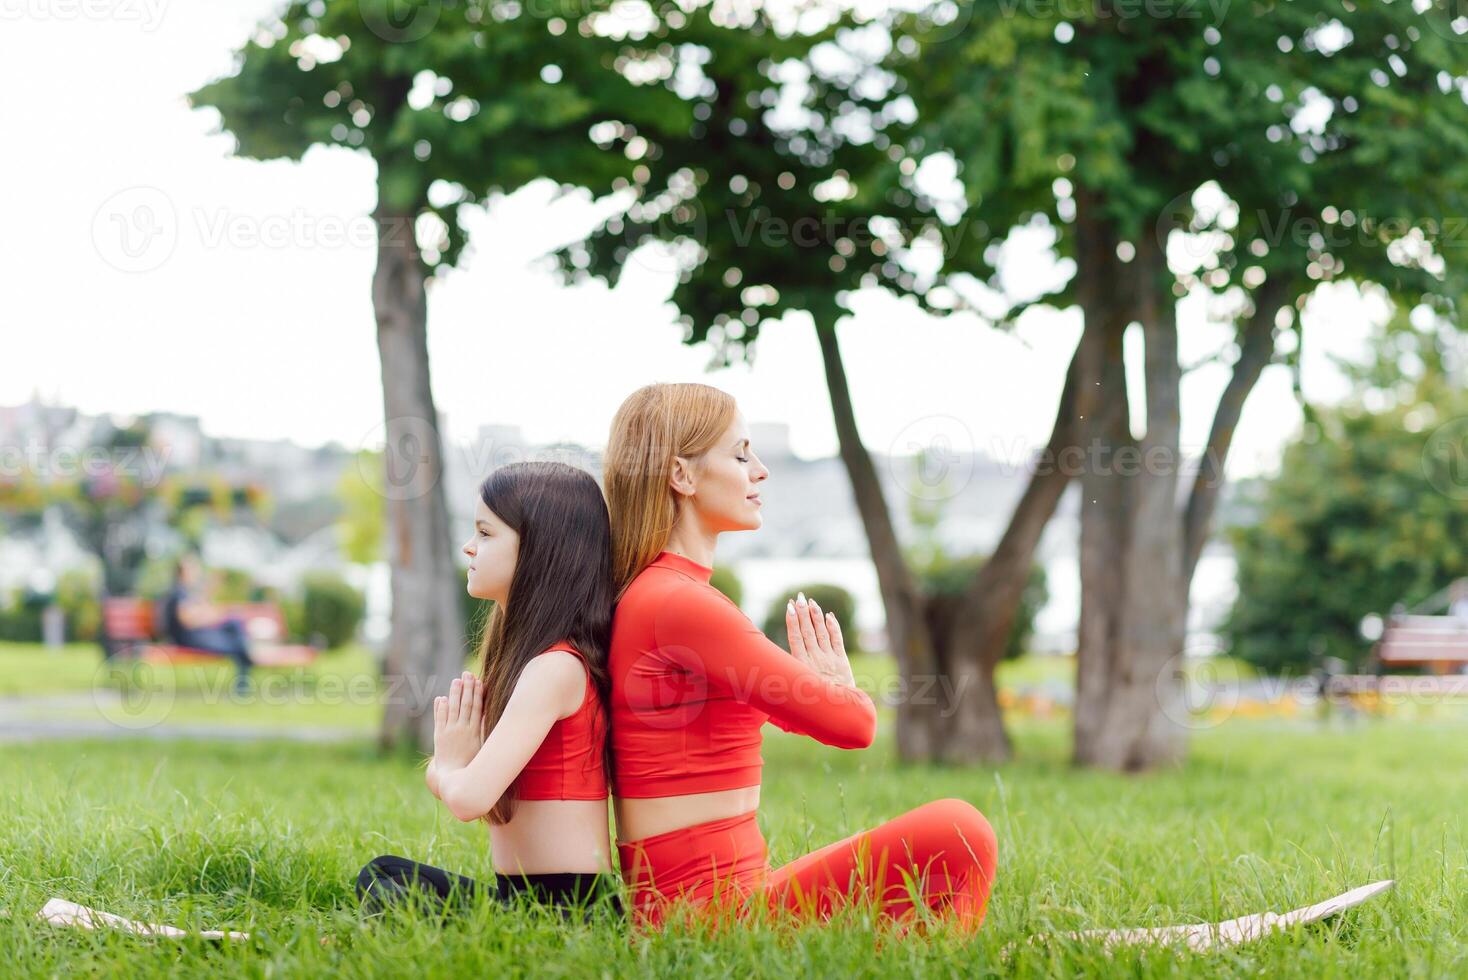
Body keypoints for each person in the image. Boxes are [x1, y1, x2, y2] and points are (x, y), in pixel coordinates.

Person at [602, 382, 999, 934]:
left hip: (720, 903)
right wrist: (840, 684)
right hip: (708, 920)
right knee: (962, 828)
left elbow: (788, 711)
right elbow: (854, 725)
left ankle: (924, 955)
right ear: (682, 475)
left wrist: (820, 691)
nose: (760, 470)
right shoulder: (678, 603)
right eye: (741, 454)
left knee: (911, 886)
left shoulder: (661, 596)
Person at [355, 461, 623, 922]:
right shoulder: (532, 660)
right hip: (526, 901)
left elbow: (468, 798)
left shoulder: (556, 667)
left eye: (485, 533)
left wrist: (450, 765)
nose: (469, 547)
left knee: (386, 888)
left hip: (568, 914)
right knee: (384, 873)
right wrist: (453, 766)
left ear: (541, 550)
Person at [159, 552, 254, 696]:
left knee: (234, 626)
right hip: (188, 639)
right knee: (238, 646)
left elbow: (204, 611)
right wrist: (215, 616)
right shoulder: (178, 593)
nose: (196, 573)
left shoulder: (186, 593)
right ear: (183, 572)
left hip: (196, 636)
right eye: (193, 569)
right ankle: (244, 676)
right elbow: (187, 620)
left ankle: (245, 665)